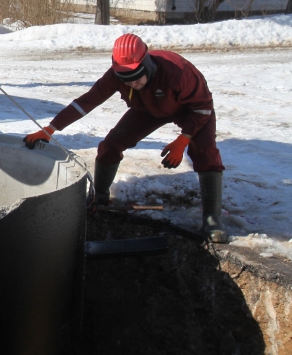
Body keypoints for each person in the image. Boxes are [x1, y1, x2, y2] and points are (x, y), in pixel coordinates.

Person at [23, 33, 228, 243]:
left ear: (146, 64)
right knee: (110, 145)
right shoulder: (117, 77)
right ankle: (100, 198)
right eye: (126, 80)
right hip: (148, 109)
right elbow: (87, 101)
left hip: (191, 111)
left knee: (206, 153)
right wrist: (51, 128)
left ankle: (212, 218)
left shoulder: (178, 72)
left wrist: (184, 139)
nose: (133, 84)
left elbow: (203, 108)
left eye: (137, 77)